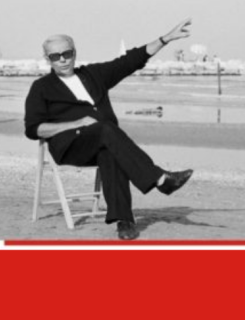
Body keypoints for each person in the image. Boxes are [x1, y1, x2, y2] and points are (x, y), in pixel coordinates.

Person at [24, 18, 195, 240]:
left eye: (67, 53)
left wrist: (166, 39)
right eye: (55, 56)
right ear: (48, 59)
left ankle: (124, 221)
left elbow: (130, 61)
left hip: (104, 141)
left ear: (74, 53)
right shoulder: (41, 87)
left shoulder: (93, 74)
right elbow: (33, 129)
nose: (63, 59)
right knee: (106, 129)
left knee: (111, 152)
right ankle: (160, 179)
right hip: (71, 147)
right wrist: (76, 124)